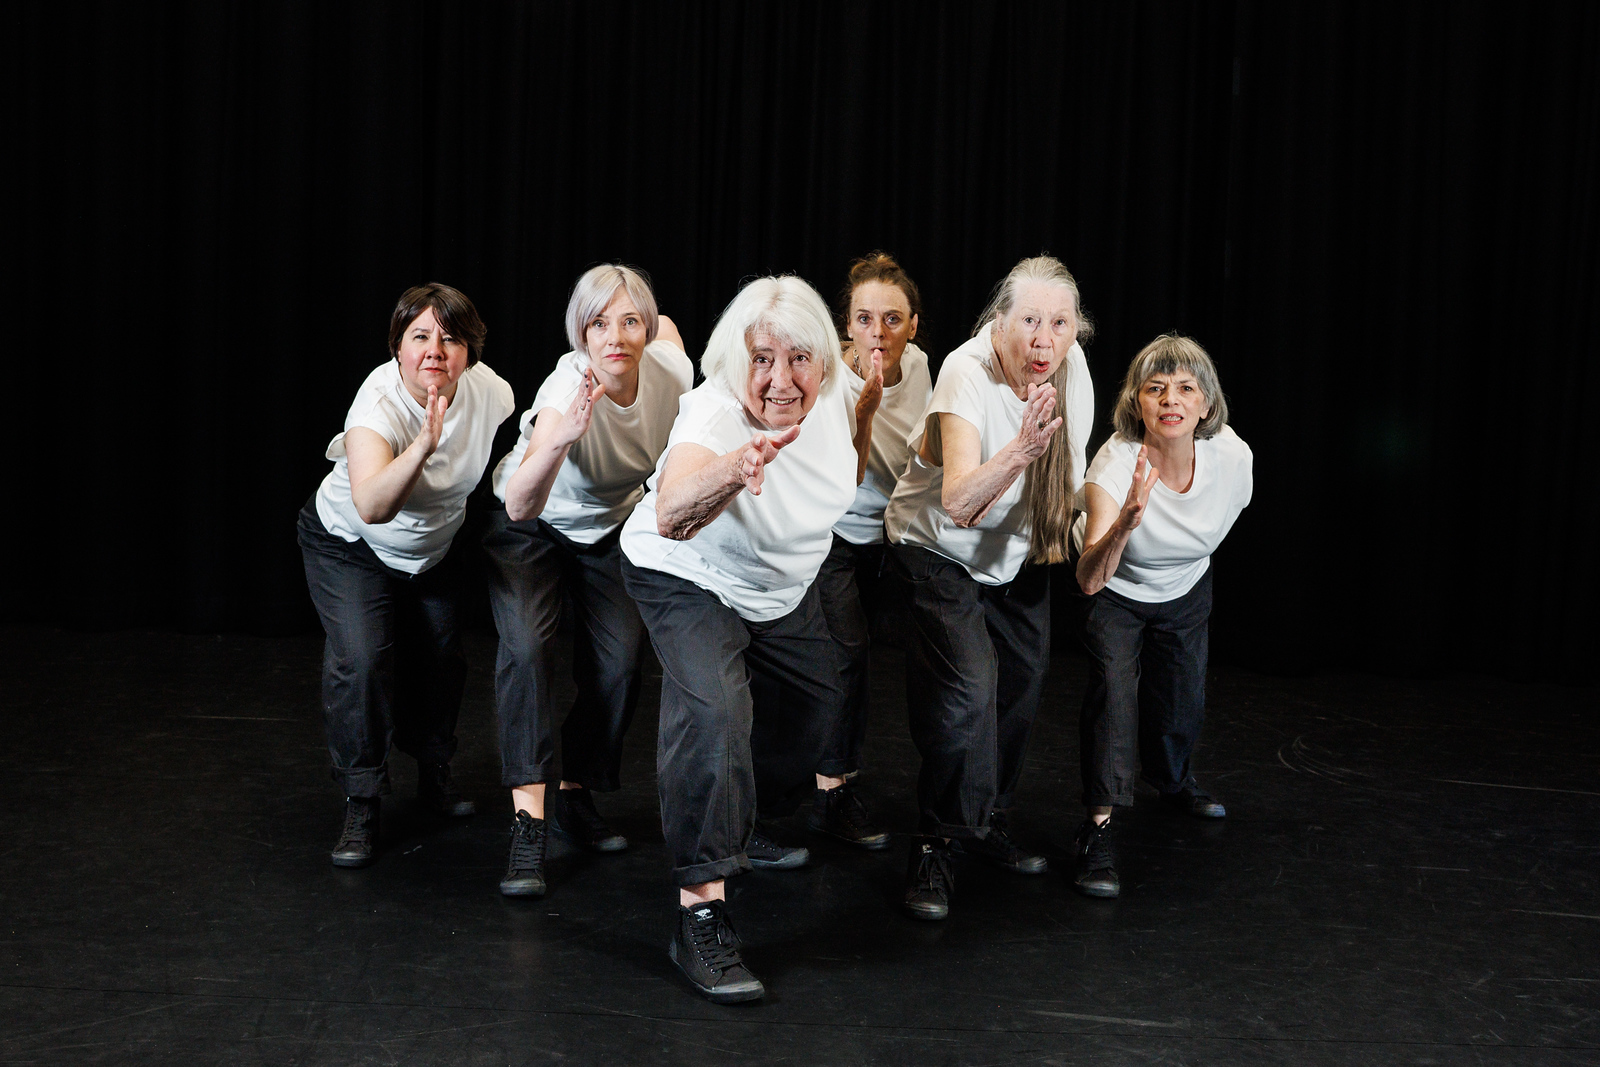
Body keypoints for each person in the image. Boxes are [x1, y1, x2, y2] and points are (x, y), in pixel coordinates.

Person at [619, 276, 857, 1003]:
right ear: (736, 361)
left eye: (798, 359)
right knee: (716, 711)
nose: (781, 380)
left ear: (824, 361)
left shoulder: (834, 396)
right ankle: (700, 909)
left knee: (817, 706)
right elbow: (670, 512)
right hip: (689, 572)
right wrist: (735, 467)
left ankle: (739, 820)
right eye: (762, 359)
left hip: (778, 588)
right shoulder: (715, 411)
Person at [883, 255, 1094, 920]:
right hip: (936, 547)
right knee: (969, 688)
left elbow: (1072, 480)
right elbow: (958, 503)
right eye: (1029, 320)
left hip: (1013, 553)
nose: (1044, 339)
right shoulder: (966, 371)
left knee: (1023, 681)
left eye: (1059, 323)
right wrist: (1022, 451)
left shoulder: (1074, 371)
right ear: (999, 323)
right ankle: (936, 840)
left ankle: (986, 816)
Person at [482, 264, 692, 898]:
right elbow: (520, 503)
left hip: (608, 527)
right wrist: (559, 440)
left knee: (620, 662)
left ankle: (574, 793)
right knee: (526, 647)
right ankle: (529, 821)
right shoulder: (564, 392)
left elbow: (671, 334)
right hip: (532, 521)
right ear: (580, 333)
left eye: (629, 322)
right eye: (598, 324)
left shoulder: (671, 371)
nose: (615, 337)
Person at [298, 283, 515, 868]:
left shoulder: (491, 393)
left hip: (430, 551)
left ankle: (434, 769)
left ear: (470, 351)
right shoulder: (378, 407)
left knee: (441, 656)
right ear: (398, 346)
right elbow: (372, 506)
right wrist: (423, 444)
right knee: (364, 658)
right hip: (350, 543)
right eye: (420, 336)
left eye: (451, 339)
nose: (434, 351)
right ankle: (362, 797)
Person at [1072, 334, 1252, 898]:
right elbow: (1088, 578)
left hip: (1185, 586)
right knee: (1113, 697)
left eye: (1185, 388)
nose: (1170, 399)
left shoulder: (1233, 458)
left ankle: (1172, 782)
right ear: (1137, 403)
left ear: (1205, 404)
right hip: (1115, 587)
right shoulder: (1113, 467)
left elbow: (1219, 522)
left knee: (1181, 696)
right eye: (1155, 389)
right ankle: (1098, 828)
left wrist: (1180, 562)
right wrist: (1126, 520)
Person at [807, 252, 933, 851]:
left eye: (892, 319)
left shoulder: (924, 369)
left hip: (893, 533)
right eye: (863, 319)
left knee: (921, 650)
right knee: (845, 651)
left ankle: (951, 799)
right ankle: (830, 790)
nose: (877, 332)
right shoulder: (829, 376)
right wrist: (864, 414)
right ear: (847, 325)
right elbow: (845, 477)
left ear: (913, 326)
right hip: (831, 530)